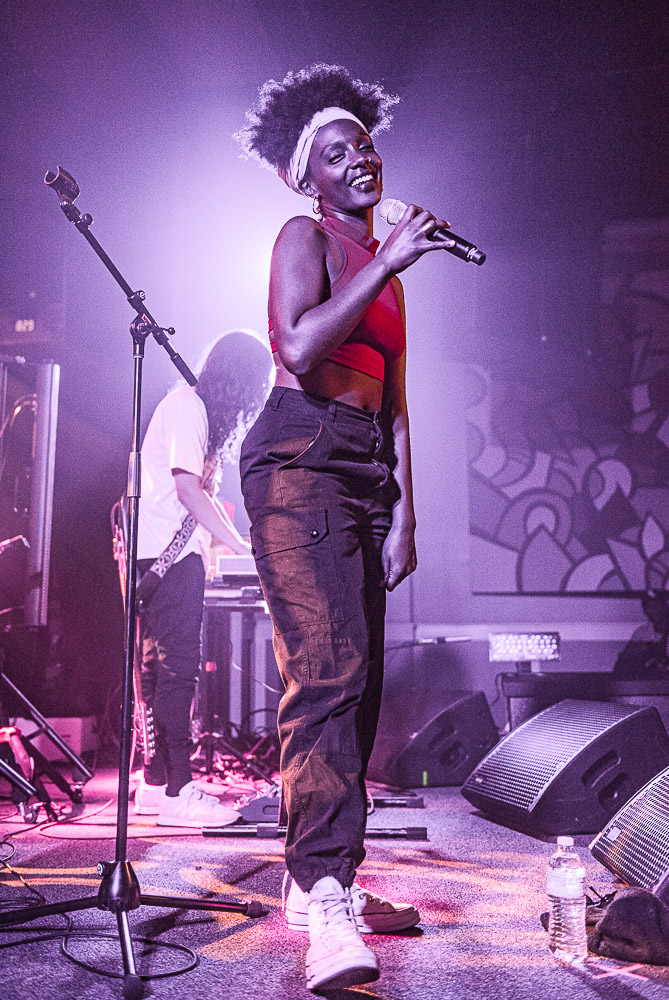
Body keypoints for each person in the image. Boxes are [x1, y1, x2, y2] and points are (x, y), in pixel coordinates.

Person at [235, 64, 454, 991]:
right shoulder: (305, 236)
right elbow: (294, 345)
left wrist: (405, 504)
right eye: (335, 151)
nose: (357, 156)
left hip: (363, 462)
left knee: (357, 687)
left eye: (363, 142)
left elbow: (395, 396)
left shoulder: (385, 272)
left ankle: (323, 877)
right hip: (298, 455)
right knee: (324, 673)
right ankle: (322, 891)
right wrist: (387, 264)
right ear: (305, 175)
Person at [134, 330, 271, 827]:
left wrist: (232, 543)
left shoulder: (185, 407)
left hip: (154, 557)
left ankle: (155, 784)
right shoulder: (188, 407)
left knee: (155, 671)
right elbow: (188, 491)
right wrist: (238, 545)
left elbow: (192, 496)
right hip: (170, 561)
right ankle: (177, 792)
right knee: (178, 672)